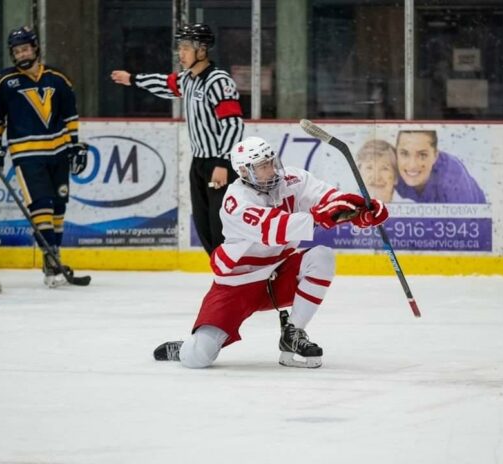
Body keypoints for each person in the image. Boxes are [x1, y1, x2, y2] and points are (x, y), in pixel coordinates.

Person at [153, 136, 389, 368]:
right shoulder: (235, 202)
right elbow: (273, 227)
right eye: (262, 167)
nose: (271, 170)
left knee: (322, 256)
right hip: (237, 284)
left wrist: (357, 211)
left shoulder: (293, 179)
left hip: (277, 274)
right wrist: (321, 217)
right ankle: (185, 347)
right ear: (244, 172)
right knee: (199, 357)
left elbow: (326, 197)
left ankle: (292, 334)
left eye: (271, 162)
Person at [110, 23, 244, 256]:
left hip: (219, 164)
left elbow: (234, 124)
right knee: (204, 227)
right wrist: (132, 78)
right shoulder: (189, 80)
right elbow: (164, 83)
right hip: (200, 164)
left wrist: (223, 163)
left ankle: (238, 279)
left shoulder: (218, 81)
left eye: (186, 48)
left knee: (221, 227)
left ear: (202, 50)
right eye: (179, 47)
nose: (180, 53)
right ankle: (224, 278)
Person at [0, 26, 87, 287]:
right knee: (41, 206)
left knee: (58, 209)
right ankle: (52, 264)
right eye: (17, 51)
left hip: (58, 153)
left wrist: (75, 146)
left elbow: (69, 116)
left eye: (25, 48)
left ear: (36, 48)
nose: (21, 54)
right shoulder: (4, 82)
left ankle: (55, 256)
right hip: (27, 156)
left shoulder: (57, 78)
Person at [395, 130, 486, 204]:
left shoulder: (453, 179)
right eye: (404, 154)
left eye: (422, 155)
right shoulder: (390, 168)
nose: (412, 165)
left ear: (435, 156)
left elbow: (466, 224)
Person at [355, 139, 410, 203]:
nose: (376, 177)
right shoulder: (346, 206)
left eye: (384, 168)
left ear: (396, 177)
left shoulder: (412, 207)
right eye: (369, 168)